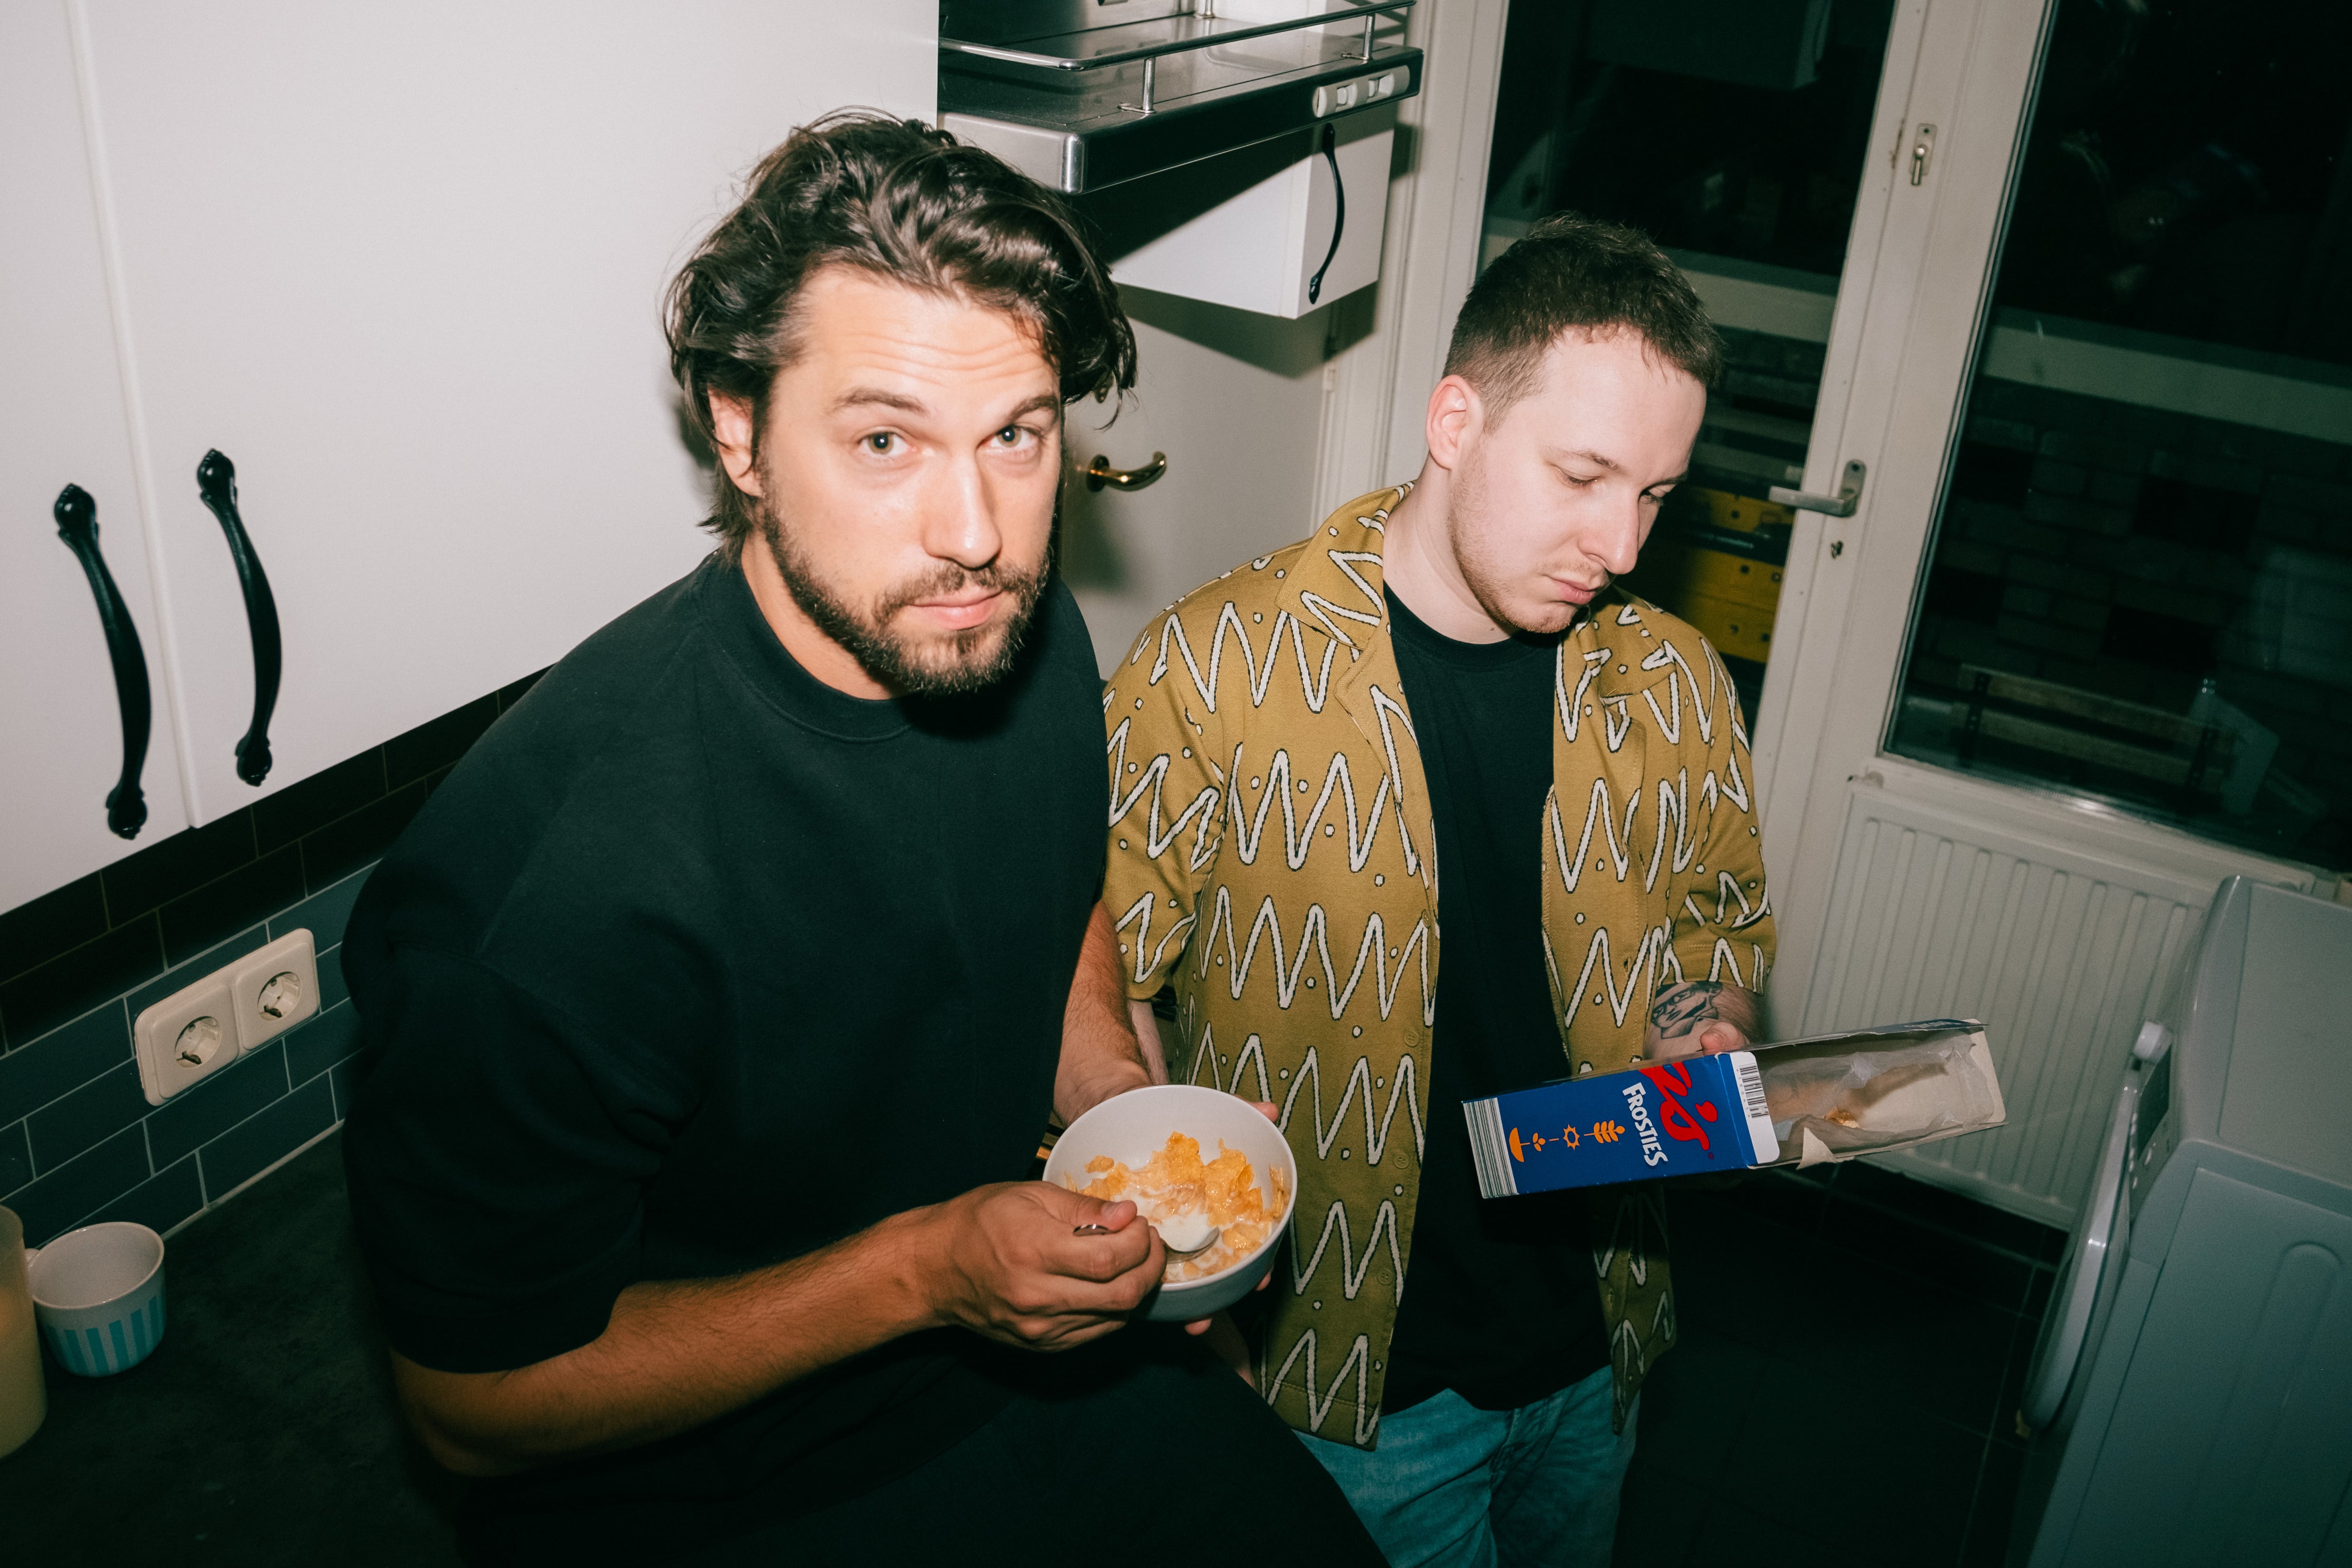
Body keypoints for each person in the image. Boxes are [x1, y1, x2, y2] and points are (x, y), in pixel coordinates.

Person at [338, 113, 1382, 1567]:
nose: (977, 532)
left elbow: (1061, 881)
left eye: (1016, 435)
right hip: (725, 1487)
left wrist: (1113, 1118)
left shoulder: (1026, 643)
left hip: (1025, 1372)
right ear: (739, 429)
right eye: (886, 438)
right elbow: (472, 1404)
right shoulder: (547, 901)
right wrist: (926, 1273)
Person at [1095, 212, 1777, 1565]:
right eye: (1584, 476)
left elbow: (1718, 920)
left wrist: (1710, 1031)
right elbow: (1101, 978)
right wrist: (1190, 1297)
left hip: (1599, 1344)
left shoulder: (1678, 682)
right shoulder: (1212, 671)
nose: (1623, 544)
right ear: (1455, 420)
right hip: (1351, 1381)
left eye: (1654, 495)